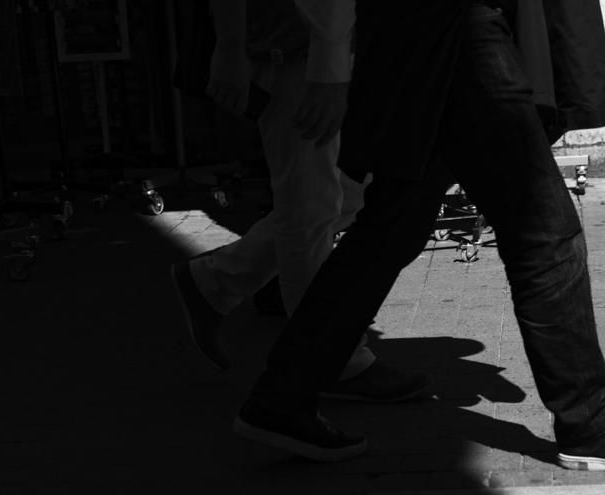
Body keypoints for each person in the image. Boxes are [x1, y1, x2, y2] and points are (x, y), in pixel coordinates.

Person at [233, 0, 605, 473]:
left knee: (389, 231)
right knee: (543, 228)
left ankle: (282, 396)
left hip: (430, 30)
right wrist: (330, 55)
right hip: (455, 27)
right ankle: (589, 421)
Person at [169, 0, 432, 403]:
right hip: (294, 52)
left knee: (347, 196)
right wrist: (229, 47)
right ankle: (335, 362)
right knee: (310, 208)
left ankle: (216, 279)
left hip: (333, 51)